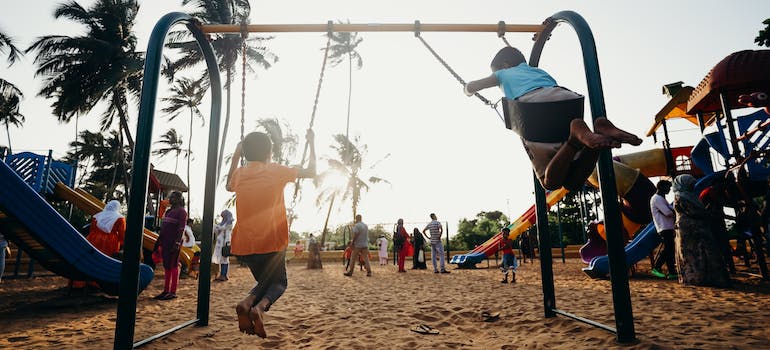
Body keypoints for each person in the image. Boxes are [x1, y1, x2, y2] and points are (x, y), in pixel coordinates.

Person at [464, 46, 642, 191]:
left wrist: (467, 89)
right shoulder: (538, 71)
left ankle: (574, 138)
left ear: (505, 64)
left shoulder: (503, 73)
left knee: (550, 183)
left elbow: (475, 86)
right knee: (573, 183)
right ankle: (598, 130)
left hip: (535, 111)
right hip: (567, 102)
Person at [226, 129, 316, 338]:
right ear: (269, 154)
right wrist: (311, 142)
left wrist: (236, 155)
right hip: (272, 242)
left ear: (246, 153)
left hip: (245, 245)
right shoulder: (276, 171)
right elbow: (312, 171)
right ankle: (257, 308)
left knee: (265, 282)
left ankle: (247, 302)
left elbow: (228, 185)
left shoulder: (240, 174)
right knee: (279, 283)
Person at [672, 174, 730, 287]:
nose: (692, 186)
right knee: (694, 254)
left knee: (702, 253)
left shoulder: (690, 196)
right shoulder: (681, 197)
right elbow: (693, 212)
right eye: (690, 184)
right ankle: (696, 278)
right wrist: (707, 213)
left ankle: (707, 277)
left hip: (698, 229)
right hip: (689, 231)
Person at [154, 191, 188, 300]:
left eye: (173, 197)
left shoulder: (182, 212)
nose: (171, 199)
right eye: (170, 197)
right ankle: (165, 290)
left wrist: (177, 243)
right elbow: (164, 227)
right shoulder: (169, 212)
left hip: (174, 242)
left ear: (179, 199)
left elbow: (181, 229)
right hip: (165, 241)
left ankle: (172, 292)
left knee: (173, 265)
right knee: (166, 265)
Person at [649, 180, 677, 279]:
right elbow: (667, 212)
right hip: (664, 227)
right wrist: (675, 211)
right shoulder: (657, 199)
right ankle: (656, 267)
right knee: (668, 249)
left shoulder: (661, 198)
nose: (669, 190)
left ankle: (672, 272)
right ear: (662, 188)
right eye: (668, 188)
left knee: (670, 250)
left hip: (668, 227)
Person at [213, 209, 234, 282]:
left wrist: (227, 243)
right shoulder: (222, 224)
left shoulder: (228, 225)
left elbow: (227, 234)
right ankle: (222, 274)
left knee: (224, 260)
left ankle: (223, 275)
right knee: (222, 260)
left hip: (224, 244)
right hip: (220, 244)